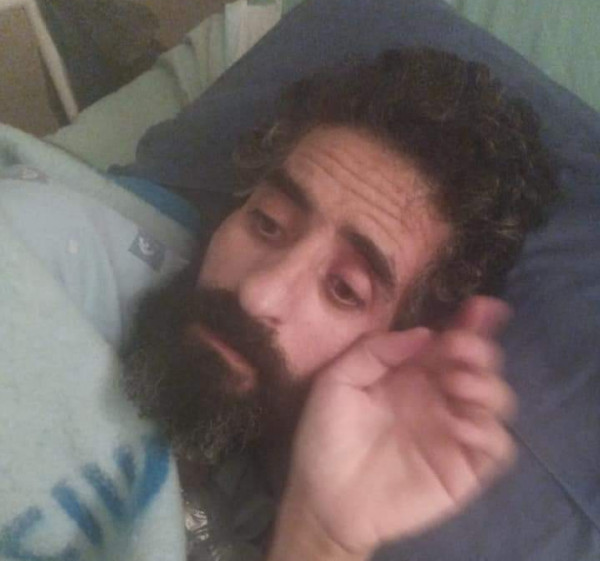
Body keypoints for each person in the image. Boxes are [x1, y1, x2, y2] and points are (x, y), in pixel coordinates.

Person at [120, 47, 558, 560]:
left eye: (344, 289)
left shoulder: (262, 520)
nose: (257, 293)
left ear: (397, 350)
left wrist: (321, 536)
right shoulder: (72, 260)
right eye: (267, 222)